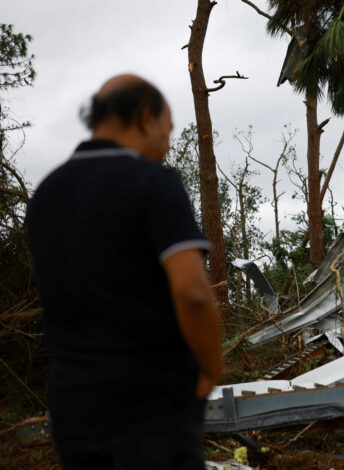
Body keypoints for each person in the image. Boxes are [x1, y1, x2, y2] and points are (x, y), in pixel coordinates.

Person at [26, 74, 224, 469]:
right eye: (167, 132)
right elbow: (193, 292)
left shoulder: (46, 194)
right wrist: (212, 367)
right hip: (151, 400)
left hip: (72, 402)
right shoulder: (154, 183)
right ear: (146, 117)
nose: (167, 145)